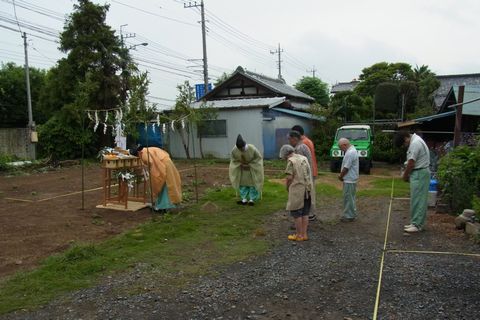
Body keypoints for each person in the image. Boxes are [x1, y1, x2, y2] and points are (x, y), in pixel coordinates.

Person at [394, 131, 430, 233]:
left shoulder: (415, 143)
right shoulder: (416, 140)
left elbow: (411, 163)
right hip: (418, 173)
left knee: (419, 200)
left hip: (420, 173)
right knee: (415, 199)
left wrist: (405, 176)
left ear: (406, 138)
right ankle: (414, 222)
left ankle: (417, 225)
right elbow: (411, 161)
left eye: (404, 144)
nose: (405, 146)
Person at [279, 144, 313, 241]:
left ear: (285, 155)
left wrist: (287, 186)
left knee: (296, 213)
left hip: (297, 190)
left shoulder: (291, 161)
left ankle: (298, 235)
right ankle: (304, 234)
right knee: (305, 213)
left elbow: (289, 177)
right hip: (308, 189)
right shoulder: (304, 158)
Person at [136, 146, 182, 211]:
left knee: (165, 184)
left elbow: (151, 163)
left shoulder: (143, 154)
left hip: (163, 165)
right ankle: (169, 203)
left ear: (138, 152)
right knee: (170, 182)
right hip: (167, 162)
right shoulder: (148, 149)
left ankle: (165, 206)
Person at [288, 130, 317, 221]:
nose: (289, 141)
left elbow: (300, 167)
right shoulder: (303, 146)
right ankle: (306, 219)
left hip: (303, 179)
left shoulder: (299, 148)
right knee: (307, 199)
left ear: (294, 138)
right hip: (308, 176)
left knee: (301, 202)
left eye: (290, 139)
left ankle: (300, 223)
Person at [229, 134, 264, 205]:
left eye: (242, 148)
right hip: (242, 170)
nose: (241, 150)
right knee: (242, 185)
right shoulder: (234, 150)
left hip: (251, 169)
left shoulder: (252, 148)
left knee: (252, 184)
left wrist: (250, 165)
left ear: (244, 145)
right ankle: (244, 199)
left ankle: (252, 199)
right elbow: (233, 160)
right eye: (240, 149)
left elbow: (258, 158)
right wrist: (240, 164)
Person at [337, 138, 359, 222]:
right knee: (350, 197)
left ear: (344, 145)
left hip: (349, 179)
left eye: (340, 148)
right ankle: (351, 214)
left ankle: (349, 216)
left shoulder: (350, 153)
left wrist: (340, 176)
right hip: (351, 179)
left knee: (348, 198)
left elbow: (346, 167)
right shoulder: (352, 151)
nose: (341, 150)